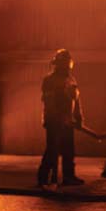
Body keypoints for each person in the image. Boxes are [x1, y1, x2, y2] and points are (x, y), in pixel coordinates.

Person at [37, 49, 85, 188]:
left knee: (69, 151)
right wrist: (58, 118)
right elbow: (49, 102)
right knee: (52, 150)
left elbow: (76, 100)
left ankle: (68, 177)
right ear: (57, 64)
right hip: (53, 121)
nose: (65, 66)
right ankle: (43, 177)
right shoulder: (49, 80)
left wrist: (79, 117)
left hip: (68, 121)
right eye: (62, 63)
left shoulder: (71, 79)